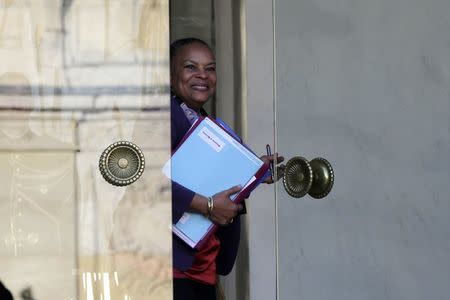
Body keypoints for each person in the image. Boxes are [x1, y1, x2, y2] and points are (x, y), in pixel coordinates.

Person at [170, 37, 283, 300]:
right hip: (169, 267)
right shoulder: (160, 115)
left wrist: (252, 172)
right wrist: (207, 206)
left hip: (203, 266)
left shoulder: (205, 122)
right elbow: (144, 183)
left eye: (210, 68)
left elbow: (209, 180)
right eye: (191, 67)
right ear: (171, 72)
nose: (203, 75)